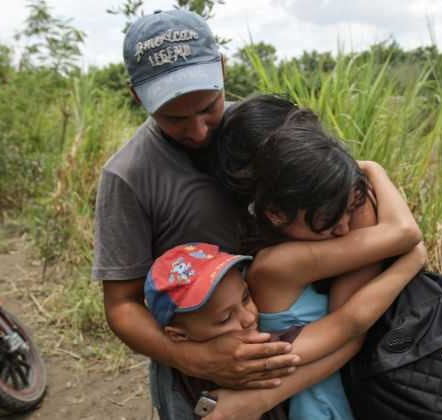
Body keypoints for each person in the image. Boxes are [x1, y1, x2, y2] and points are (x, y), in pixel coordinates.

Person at [95, 10, 420, 419]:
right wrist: (196, 359)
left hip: (310, 347)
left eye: (209, 107)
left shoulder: (265, 132)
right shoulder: (129, 176)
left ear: (223, 70)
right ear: (138, 97)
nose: (197, 131)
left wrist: (373, 172)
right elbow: (122, 305)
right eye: (174, 118)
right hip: (208, 375)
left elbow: (346, 208)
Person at [146, 239, 424, 420]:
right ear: (178, 336)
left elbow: (348, 333)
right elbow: (348, 326)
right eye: (224, 319)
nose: (247, 318)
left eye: (245, 298)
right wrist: (412, 260)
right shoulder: (257, 353)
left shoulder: (185, 368)